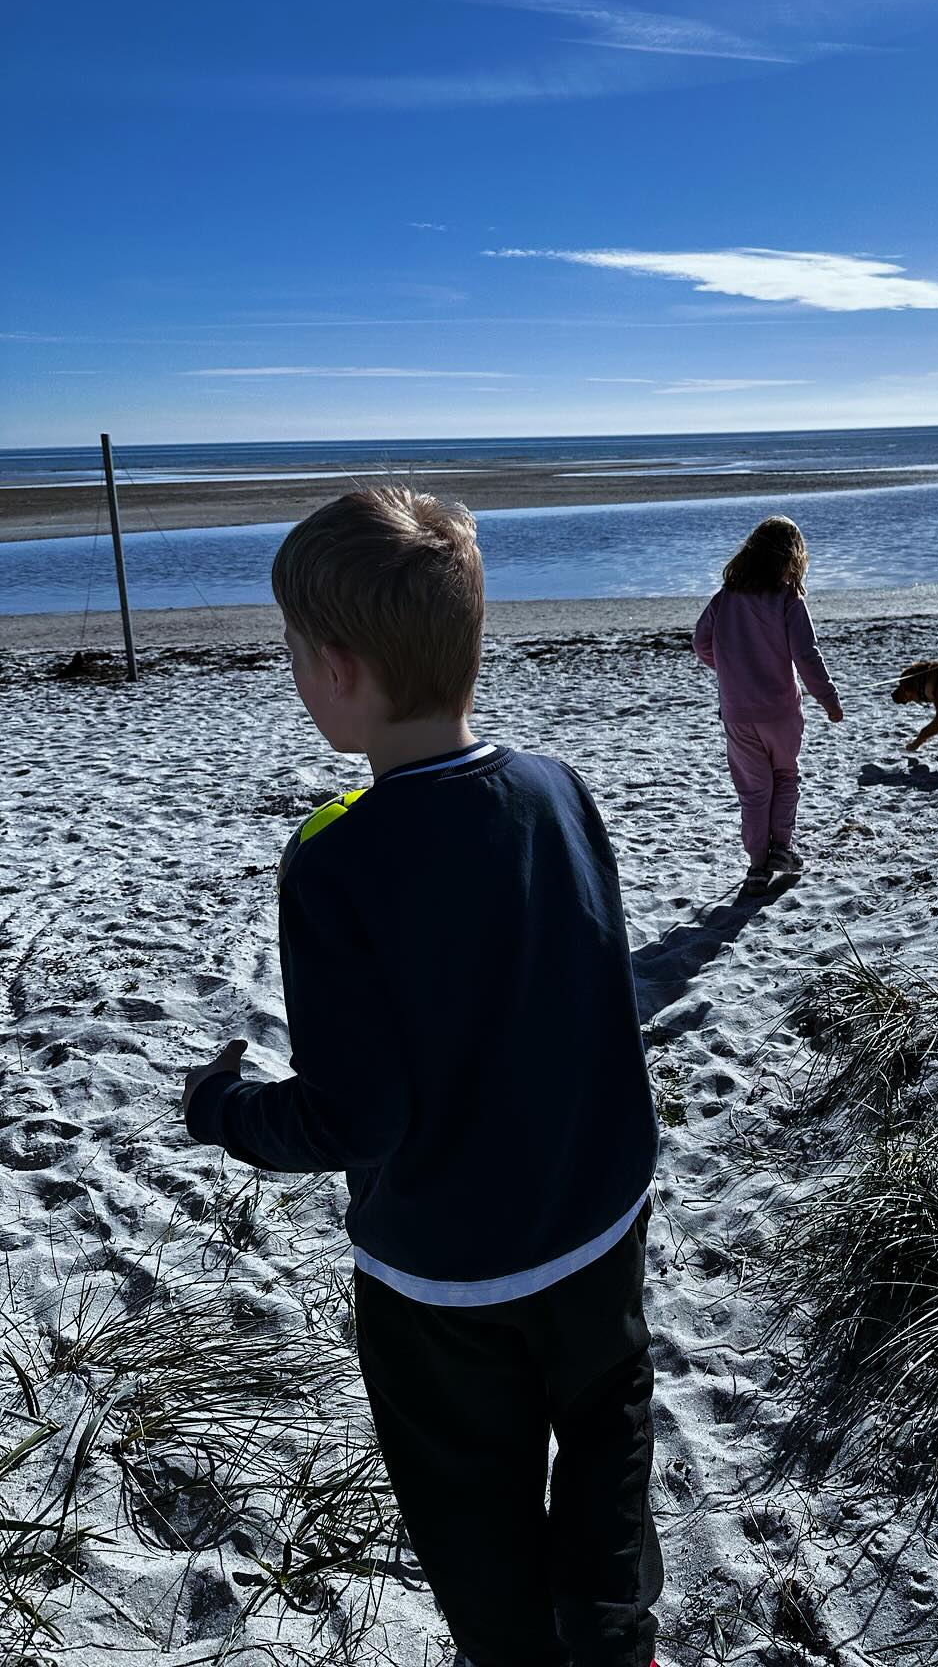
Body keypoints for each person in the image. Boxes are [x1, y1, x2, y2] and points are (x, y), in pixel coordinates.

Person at [181, 486, 662, 1667]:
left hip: (443, 1276)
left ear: (339, 672)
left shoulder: (335, 854)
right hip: (600, 1214)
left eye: (295, 650)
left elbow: (354, 1115)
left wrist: (226, 1111)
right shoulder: (556, 785)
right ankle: (614, 1640)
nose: (295, 671)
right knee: (607, 1431)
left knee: (470, 1503)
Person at [692, 515, 844, 894]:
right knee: (785, 776)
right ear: (792, 557)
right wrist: (828, 699)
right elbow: (806, 655)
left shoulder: (726, 598)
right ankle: (782, 848)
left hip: (738, 712)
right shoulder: (787, 598)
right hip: (780, 712)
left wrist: (730, 669)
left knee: (754, 790)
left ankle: (758, 865)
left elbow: (701, 644)